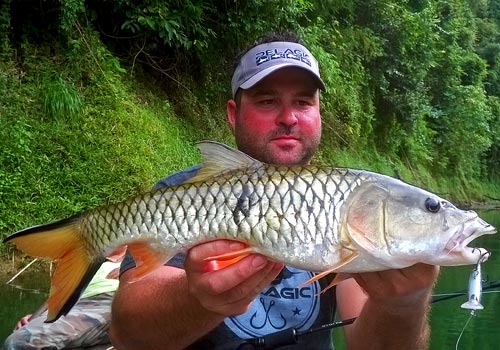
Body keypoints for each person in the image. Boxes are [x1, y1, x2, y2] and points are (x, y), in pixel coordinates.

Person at [109, 33, 440, 350]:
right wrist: (198, 297)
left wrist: (403, 304)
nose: (289, 117)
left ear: (318, 112)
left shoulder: (344, 200)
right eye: (267, 101)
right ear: (233, 114)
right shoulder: (181, 195)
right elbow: (128, 337)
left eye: (303, 101)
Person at [4, 248, 126, 350]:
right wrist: (36, 317)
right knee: (20, 336)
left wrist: (127, 270)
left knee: (21, 342)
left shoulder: (137, 254)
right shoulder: (88, 259)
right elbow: (61, 293)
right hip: (71, 304)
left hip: (109, 301)